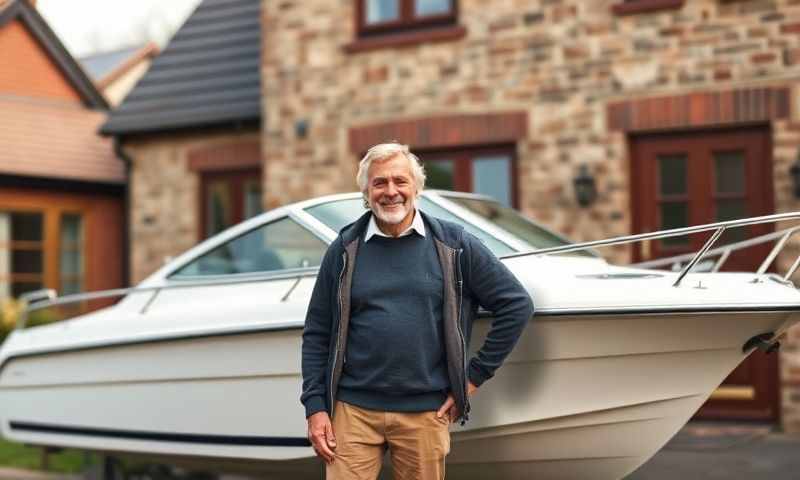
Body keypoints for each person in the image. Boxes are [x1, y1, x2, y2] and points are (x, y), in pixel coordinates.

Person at [300, 142, 534, 479]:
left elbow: (515, 303)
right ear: (366, 191)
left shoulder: (454, 244)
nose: (391, 191)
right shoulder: (344, 249)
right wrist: (316, 408)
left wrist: (472, 379)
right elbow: (317, 332)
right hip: (352, 411)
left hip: (426, 412)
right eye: (379, 183)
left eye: (400, 181)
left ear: (417, 188)